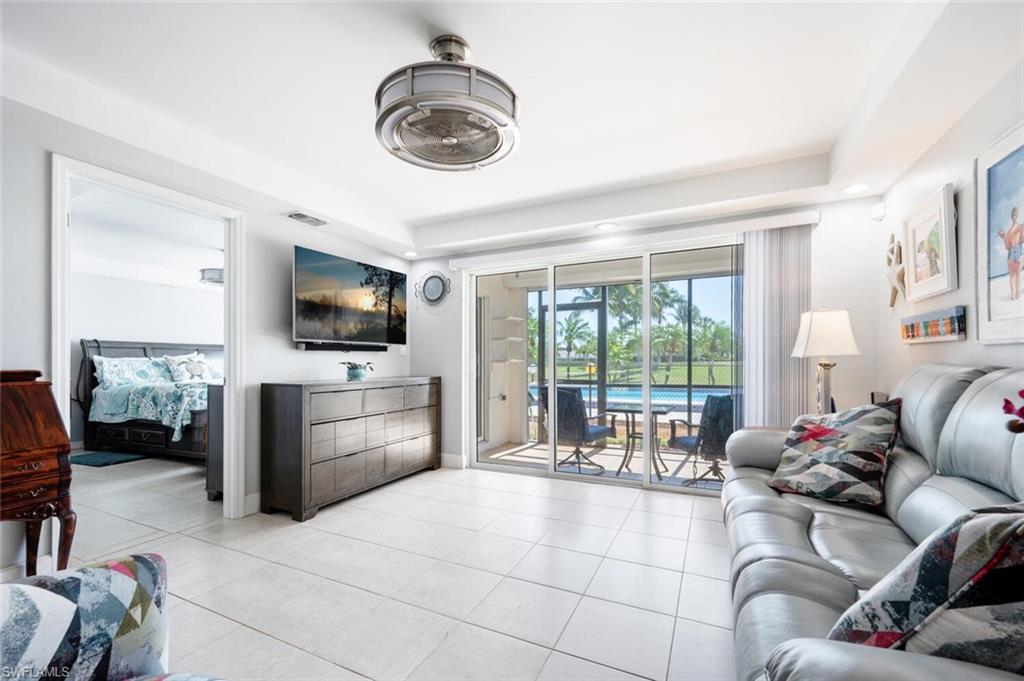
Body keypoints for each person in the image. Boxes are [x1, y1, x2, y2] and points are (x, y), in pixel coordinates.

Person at [997, 206, 1023, 301]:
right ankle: (1016, 295)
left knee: (1013, 276)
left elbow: (1008, 246)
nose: (1014, 216)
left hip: (1013, 254)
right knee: (1016, 276)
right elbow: (1021, 241)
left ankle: (1014, 295)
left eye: (1014, 215)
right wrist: (1003, 236)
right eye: (1014, 215)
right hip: (1017, 253)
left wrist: (1003, 236)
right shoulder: (1020, 227)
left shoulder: (1011, 231)